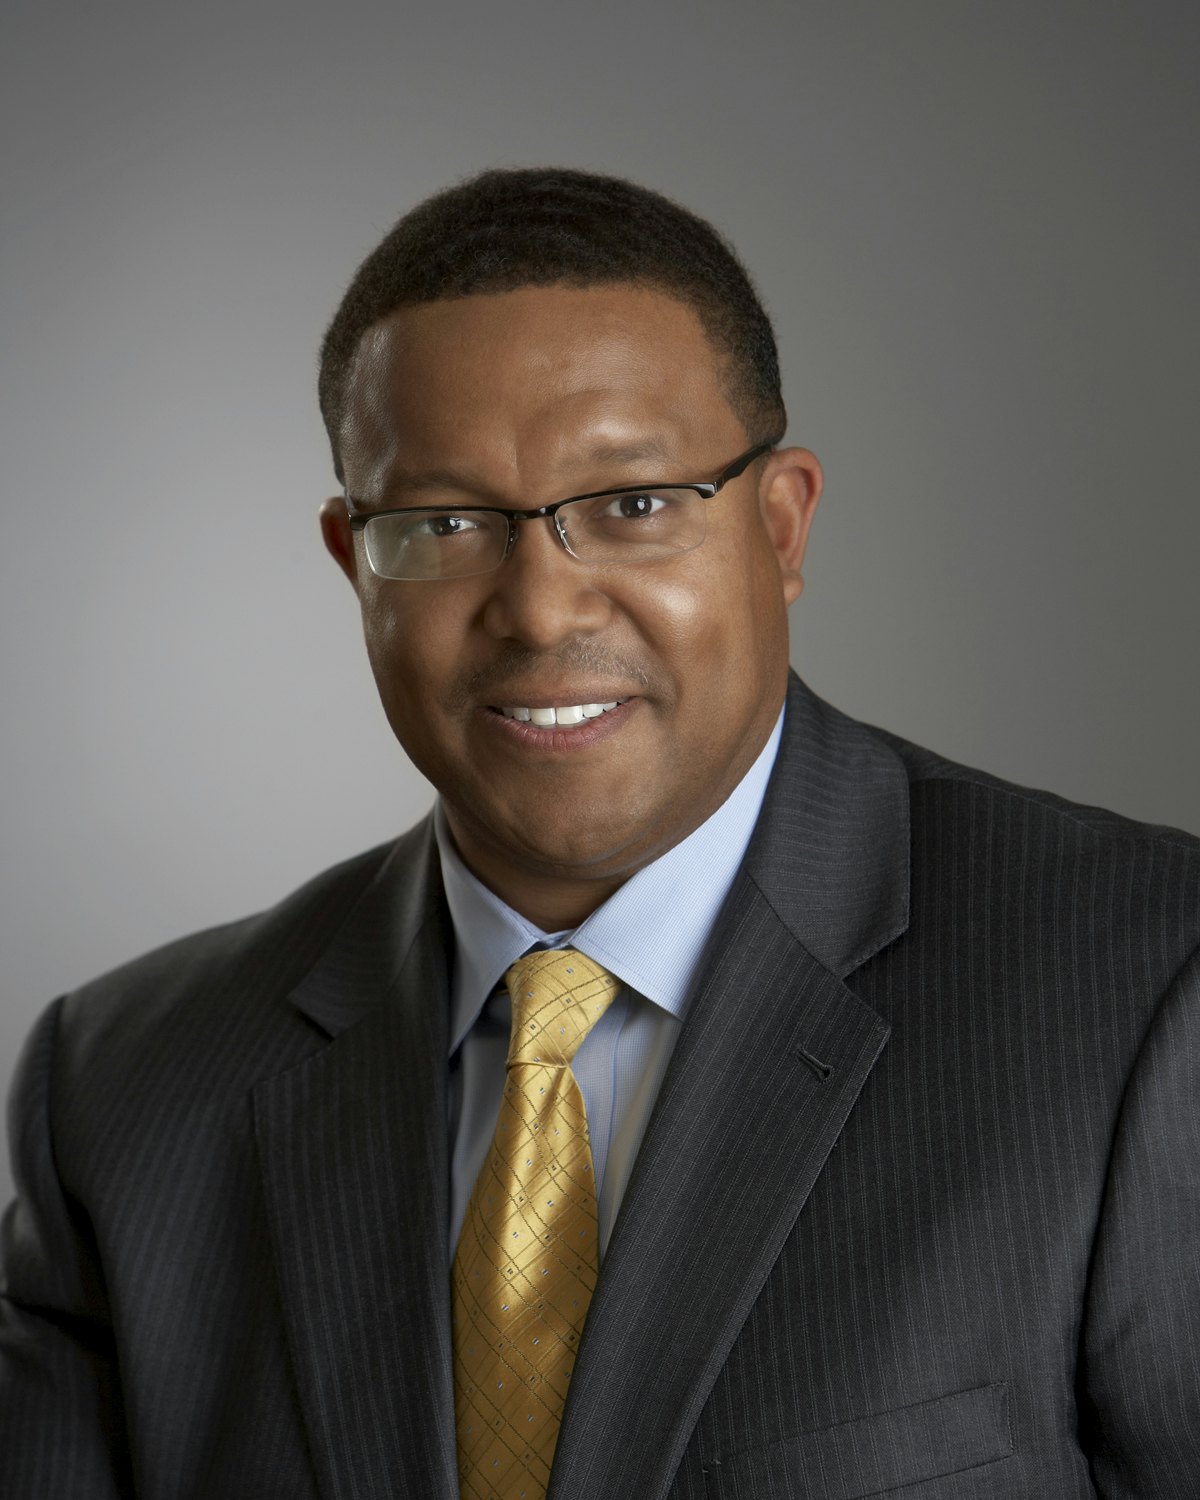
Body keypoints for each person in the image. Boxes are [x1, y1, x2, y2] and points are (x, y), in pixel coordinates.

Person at [1, 167, 1197, 1500]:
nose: (539, 607)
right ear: (354, 563)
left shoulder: (1143, 994)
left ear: (781, 524)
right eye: (444, 523)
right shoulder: (124, 1093)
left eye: (632, 505)